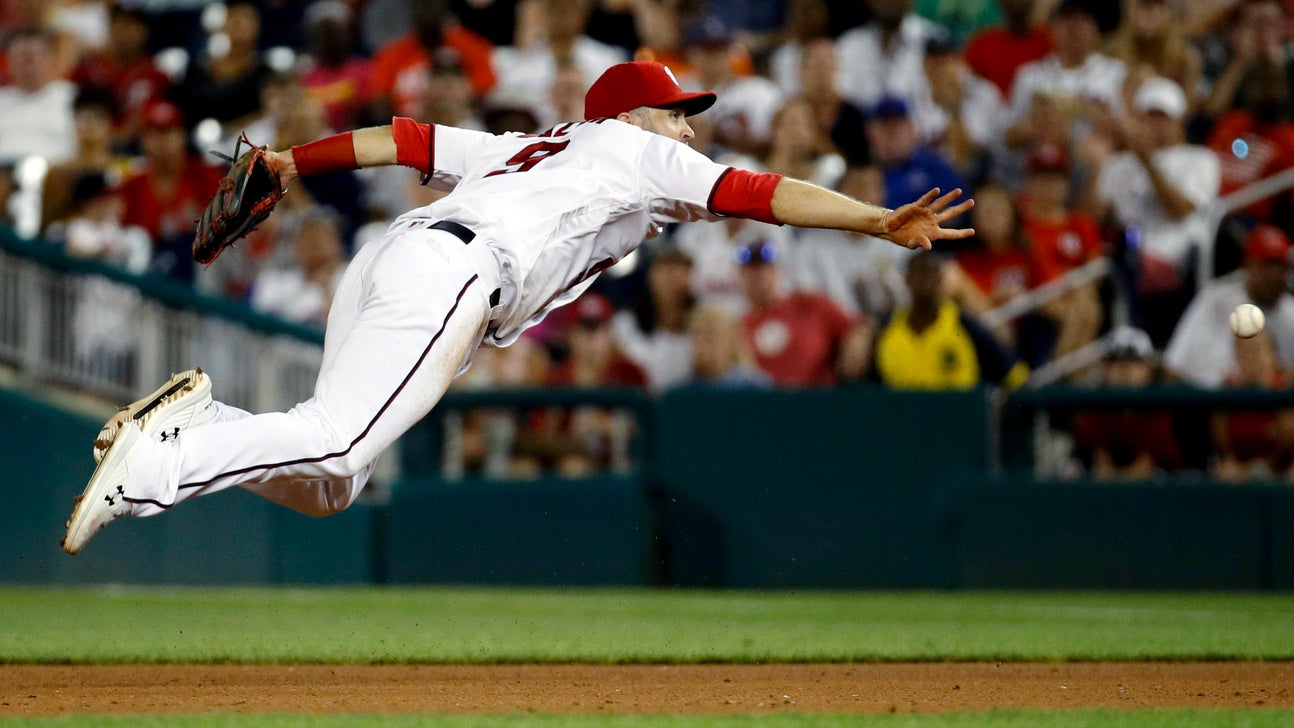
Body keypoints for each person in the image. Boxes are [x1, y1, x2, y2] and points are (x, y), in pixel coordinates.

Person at [62, 60, 974, 554]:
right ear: (629, 112)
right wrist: (874, 219)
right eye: (675, 111)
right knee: (337, 440)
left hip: (393, 258)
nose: (686, 126)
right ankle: (156, 462)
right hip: (456, 273)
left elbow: (406, 139)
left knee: (332, 484)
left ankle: (206, 419)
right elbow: (755, 191)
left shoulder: (525, 146)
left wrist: (295, 162)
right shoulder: (634, 148)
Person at [872, 249, 1029, 390]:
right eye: (919, 276)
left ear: (941, 281)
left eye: (931, 277)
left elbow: (1013, 375)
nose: (925, 284)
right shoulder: (887, 329)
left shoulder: (965, 325)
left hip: (957, 418)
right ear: (907, 281)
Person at [1163, 224, 1294, 388]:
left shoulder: (1291, 313)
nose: (1274, 275)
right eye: (1267, 266)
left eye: (1280, 267)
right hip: (1210, 404)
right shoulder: (1214, 302)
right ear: (1249, 265)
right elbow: (1174, 367)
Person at [737, 240, 871, 387]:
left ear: (778, 271)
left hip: (816, 399)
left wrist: (857, 341)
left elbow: (859, 325)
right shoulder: (737, 326)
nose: (759, 276)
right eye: (752, 271)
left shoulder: (808, 304)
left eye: (764, 269)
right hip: (764, 404)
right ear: (740, 276)